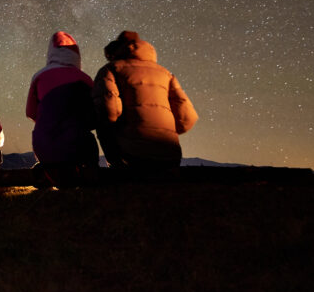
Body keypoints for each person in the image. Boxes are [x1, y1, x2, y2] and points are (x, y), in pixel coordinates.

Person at [93, 31, 198, 171]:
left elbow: (109, 112)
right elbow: (187, 119)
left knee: (101, 123)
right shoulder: (166, 74)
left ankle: (117, 167)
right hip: (170, 156)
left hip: (132, 155)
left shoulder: (111, 69)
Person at [26, 31, 99, 186]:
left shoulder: (39, 76)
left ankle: (50, 168)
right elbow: (94, 117)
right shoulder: (84, 78)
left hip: (43, 146)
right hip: (77, 145)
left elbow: (30, 112)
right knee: (88, 139)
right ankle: (91, 172)